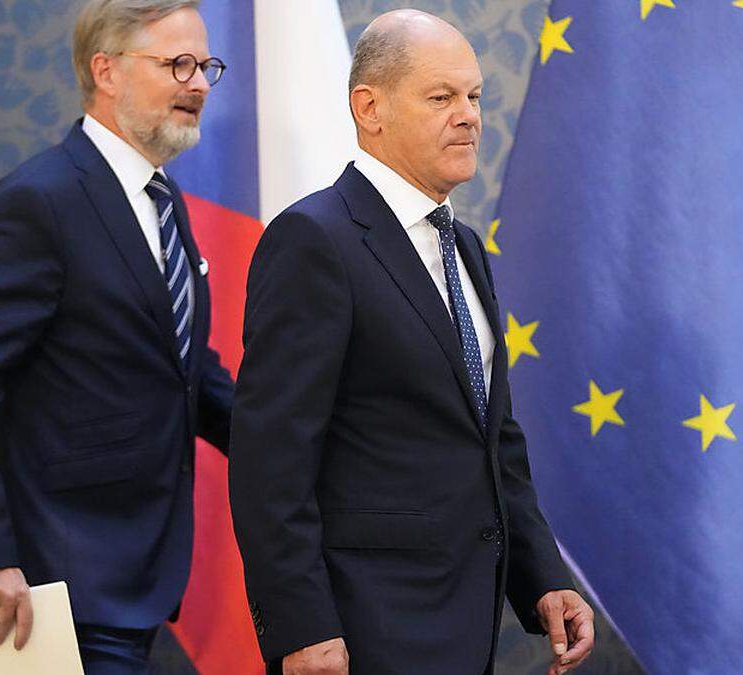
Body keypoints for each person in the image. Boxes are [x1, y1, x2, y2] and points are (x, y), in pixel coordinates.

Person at [229, 10, 594, 675]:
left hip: (465, 624)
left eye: (474, 96)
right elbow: (270, 460)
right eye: (441, 97)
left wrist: (544, 576)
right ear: (368, 107)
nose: (469, 116)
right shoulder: (315, 241)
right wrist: (301, 624)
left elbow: (491, 437)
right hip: (363, 630)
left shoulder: (467, 248)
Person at [0, 1, 233, 671]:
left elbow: (187, 370)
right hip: (51, 582)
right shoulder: (41, 200)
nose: (201, 84)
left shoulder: (163, 199)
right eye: (177, 64)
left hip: (138, 576)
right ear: (107, 71)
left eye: (206, 65)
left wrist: (304, 442)